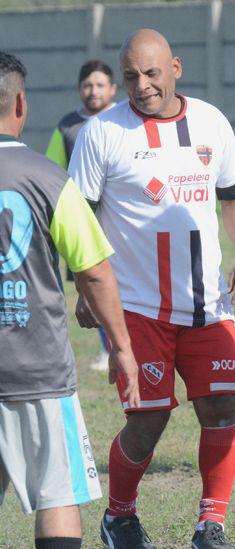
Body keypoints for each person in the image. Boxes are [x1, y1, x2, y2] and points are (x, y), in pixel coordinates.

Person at [68, 29, 235, 549]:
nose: (141, 85)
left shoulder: (211, 121)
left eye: (151, 73)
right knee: (149, 418)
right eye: (131, 76)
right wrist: (83, 287)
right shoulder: (102, 133)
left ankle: (210, 526)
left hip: (207, 304)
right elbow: (77, 215)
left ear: (176, 67)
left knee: (221, 408)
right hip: (135, 306)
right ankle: (120, 518)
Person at [0, 50, 140, 549]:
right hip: (37, 368)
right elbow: (95, 272)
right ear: (21, 103)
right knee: (57, 493)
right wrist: (121, 346)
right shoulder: (48, 178)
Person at [45, 59, 118, 371]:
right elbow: (51, 171)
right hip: (83, 224)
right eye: (88, 85)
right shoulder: (67, 126)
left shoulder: (123, 120)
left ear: (113, 89)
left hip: (121, 221)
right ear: (79, 89)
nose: (93, 91)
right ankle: (109, 348)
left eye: (100, 85)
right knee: (93, 286)